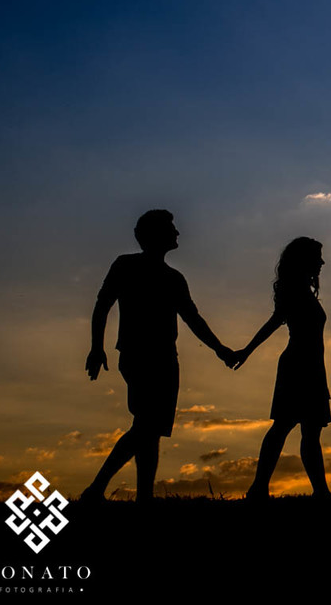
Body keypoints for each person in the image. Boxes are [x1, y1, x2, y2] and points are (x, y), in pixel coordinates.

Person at [82, 209, 235, 504]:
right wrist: (96, 346)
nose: (177, 234)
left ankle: (143, 497)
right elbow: (103, 304)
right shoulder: (126, 265)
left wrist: (220, 350)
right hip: (139, 355)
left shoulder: (174, 278)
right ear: (155, 235)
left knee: (150, 431)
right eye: (171, 229)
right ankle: (97, 488)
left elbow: (193, 319)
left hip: (166, 358)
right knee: (146, 426)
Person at [232, 237, 331, 500]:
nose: (322, 262)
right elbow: (275, 321)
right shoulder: (296, 291)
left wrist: (247, 351)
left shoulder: (301, 290)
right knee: (285, 426)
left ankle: (319, 491)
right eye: (317, 257)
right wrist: (247, 351)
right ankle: (260, 487)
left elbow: (275, 320)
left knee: (309, 431)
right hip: (298, 365)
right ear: (304, 260)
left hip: (311, 365)